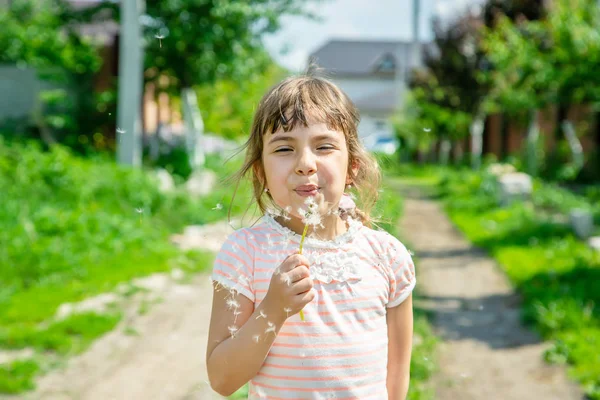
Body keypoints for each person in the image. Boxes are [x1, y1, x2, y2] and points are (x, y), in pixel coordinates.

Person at [206, 69, 416, 399]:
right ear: (261, 171)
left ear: (353, 168)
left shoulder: (388, 257)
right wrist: (272, 310)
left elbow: (396, 375)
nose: (305, 163)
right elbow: (222, 379)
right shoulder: (245, 253)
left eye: (324, 146)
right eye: (284, 149)